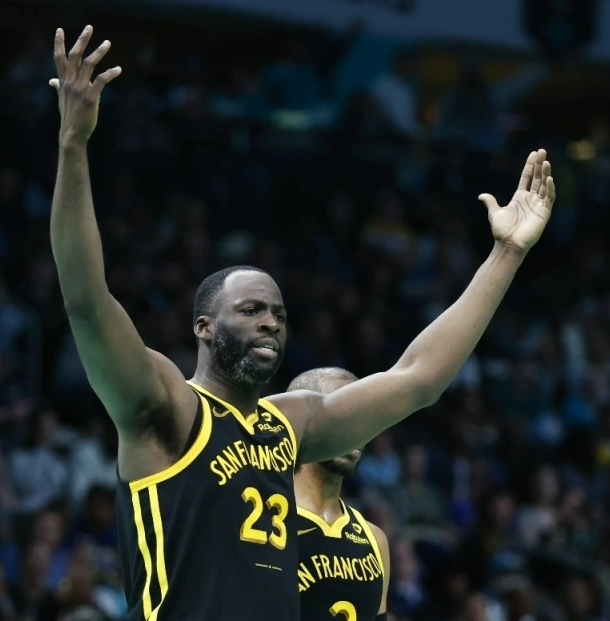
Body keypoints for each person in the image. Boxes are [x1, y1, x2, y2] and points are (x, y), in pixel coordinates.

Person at [48, 25, 556, 621]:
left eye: (279, 315)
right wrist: (73, 146)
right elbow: (87, 301)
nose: (270, 322)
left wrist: (506, 254)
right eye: (251, 310)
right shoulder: (168, 407)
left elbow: (418, 378)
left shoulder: (289, 426)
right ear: (204, 327)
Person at [290, 368, 389, 621]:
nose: (355, 428)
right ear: (300, 421)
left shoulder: (375, 540)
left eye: (362, 416)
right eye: (341, 413)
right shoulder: (261, 521)